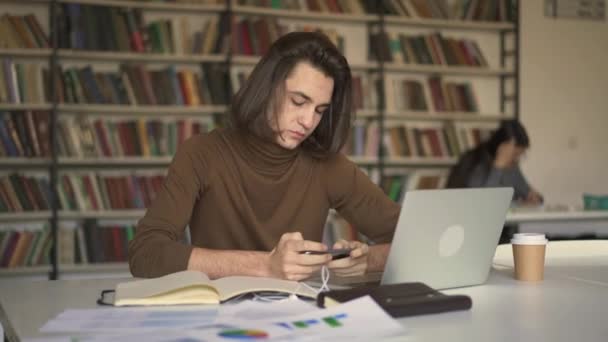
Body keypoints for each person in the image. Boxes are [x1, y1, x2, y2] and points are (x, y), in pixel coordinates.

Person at [128, 32, 400, 280]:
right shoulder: (201, 153)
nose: (308, 121)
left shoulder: (329, 167)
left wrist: (367, 260)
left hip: (297, 321)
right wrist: (265, 265)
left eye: (320, 110)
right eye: (298, 101)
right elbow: (145, 253)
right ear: (266, 87)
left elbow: (414, 237)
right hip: (217, 320)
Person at [446, 119, 543, 205]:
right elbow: (484, 203)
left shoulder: (513, 167)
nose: (516, 159)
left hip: (506, 223)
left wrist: (535, 198)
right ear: (501, 148)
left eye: (520, 155)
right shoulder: (475, 162)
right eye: (514, 154)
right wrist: (498, 167)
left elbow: (527, 192)